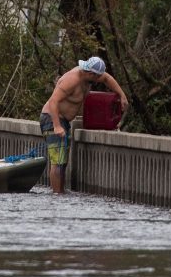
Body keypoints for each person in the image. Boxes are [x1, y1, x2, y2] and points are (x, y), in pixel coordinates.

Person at [40, 56, 129, 193]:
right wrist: (57, 126)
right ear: (90, 73)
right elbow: (53, 102)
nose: (98, 80)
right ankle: (56, 197)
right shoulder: (71, 80)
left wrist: (122, 95)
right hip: (51, 118)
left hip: (63, 121)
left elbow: (107, 78)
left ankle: (60, 192)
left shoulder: (89, 76)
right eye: (96, 77)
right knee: (57, 161)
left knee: (62, 162)